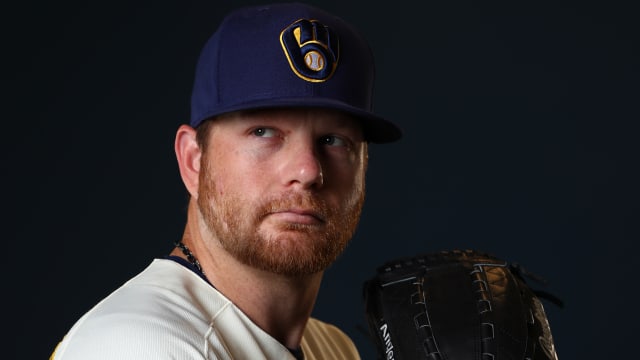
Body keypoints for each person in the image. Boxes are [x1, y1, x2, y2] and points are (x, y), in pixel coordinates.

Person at [50, 2, 402, 359]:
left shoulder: (333, 348)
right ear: (193, 160)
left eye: (334, 140)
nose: (308, 170)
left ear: (364, 165)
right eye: (263, 132)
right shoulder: (141, 344)